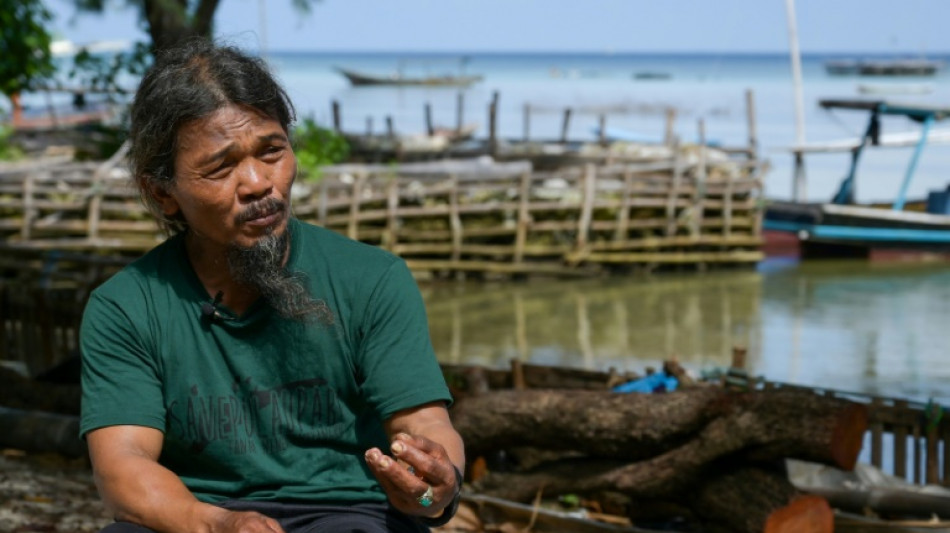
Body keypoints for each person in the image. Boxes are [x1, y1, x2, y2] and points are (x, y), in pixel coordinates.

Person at [79, 39, 464, 533]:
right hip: (195, 516)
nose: (259, 183)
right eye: (221, 166)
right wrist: (218, 523)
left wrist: (437, 482)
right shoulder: (127, 308)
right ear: (163, 192)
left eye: (272, 151)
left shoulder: (372, 279)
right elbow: (122, 467)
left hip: (351, 513)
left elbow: (426, 424)